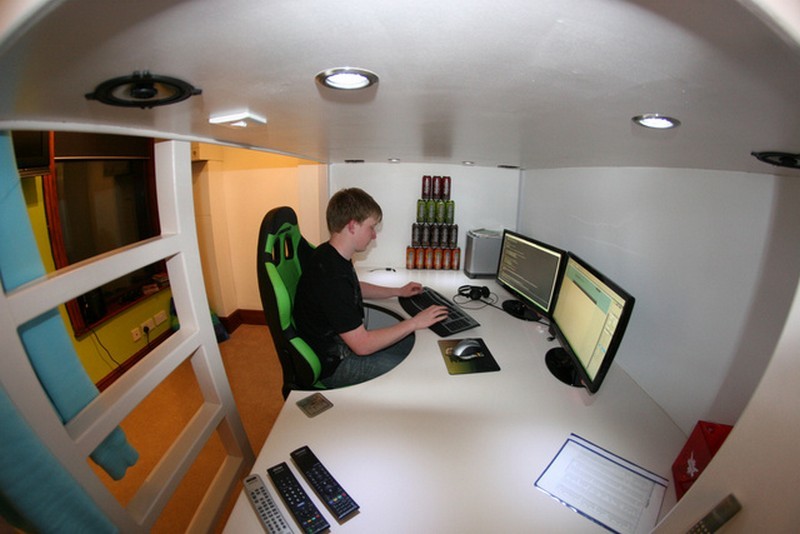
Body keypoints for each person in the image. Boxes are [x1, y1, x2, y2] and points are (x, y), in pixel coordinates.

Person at [294, 187, 448, 388]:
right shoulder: (331, 277)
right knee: (417, 369)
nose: (374, 235)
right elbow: (363, 346)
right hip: (337, 366)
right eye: (371, 227)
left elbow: (354, 287)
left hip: (344, 348)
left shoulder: (330, 254)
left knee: (416, 347)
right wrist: (414, 322)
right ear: (352, 226)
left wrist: (397, 291)